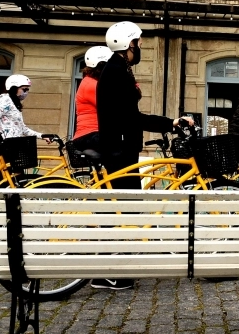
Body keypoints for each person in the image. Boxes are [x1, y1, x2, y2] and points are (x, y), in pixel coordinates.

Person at [94, 22, 191, 291]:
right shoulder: (117, 72)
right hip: (120, 150)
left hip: (121, 148)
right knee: (126, 211)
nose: (140, 47)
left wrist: (169, 122)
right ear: (127, 45)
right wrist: (170, 123)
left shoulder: (117, 69)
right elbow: (133, 118)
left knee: (125, 210)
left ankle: (109, 270)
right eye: (138, 42)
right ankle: (110, 272)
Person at [71, 45, 112, 152]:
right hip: (89, 135)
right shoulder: (91, 84)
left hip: (93, 134)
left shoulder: (93, 82)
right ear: (102, 66)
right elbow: (112, 106)